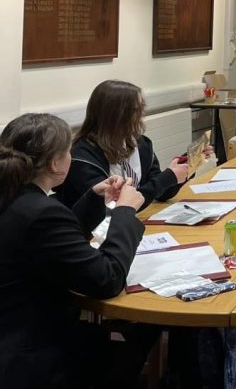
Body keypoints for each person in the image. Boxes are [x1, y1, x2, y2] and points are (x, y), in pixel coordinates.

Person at [0, 113, 146, 388]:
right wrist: (125, 212)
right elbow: (107, 279)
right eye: (68, 151)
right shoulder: (41, 212)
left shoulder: (16, 198)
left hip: (13, 328)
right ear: (56, 163)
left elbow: (51, 241)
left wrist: (93, 197)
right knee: (131, 347)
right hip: (31, 354)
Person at [55, 80, 189, 211]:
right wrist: (167, 178)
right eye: (139, 108)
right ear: (117, 114)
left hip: (127, 223)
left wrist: (188, 163)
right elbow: (114, 207)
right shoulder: (82, 156)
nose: (143, 114)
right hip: (96, 230)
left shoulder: (142, 144)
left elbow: (162, 193)